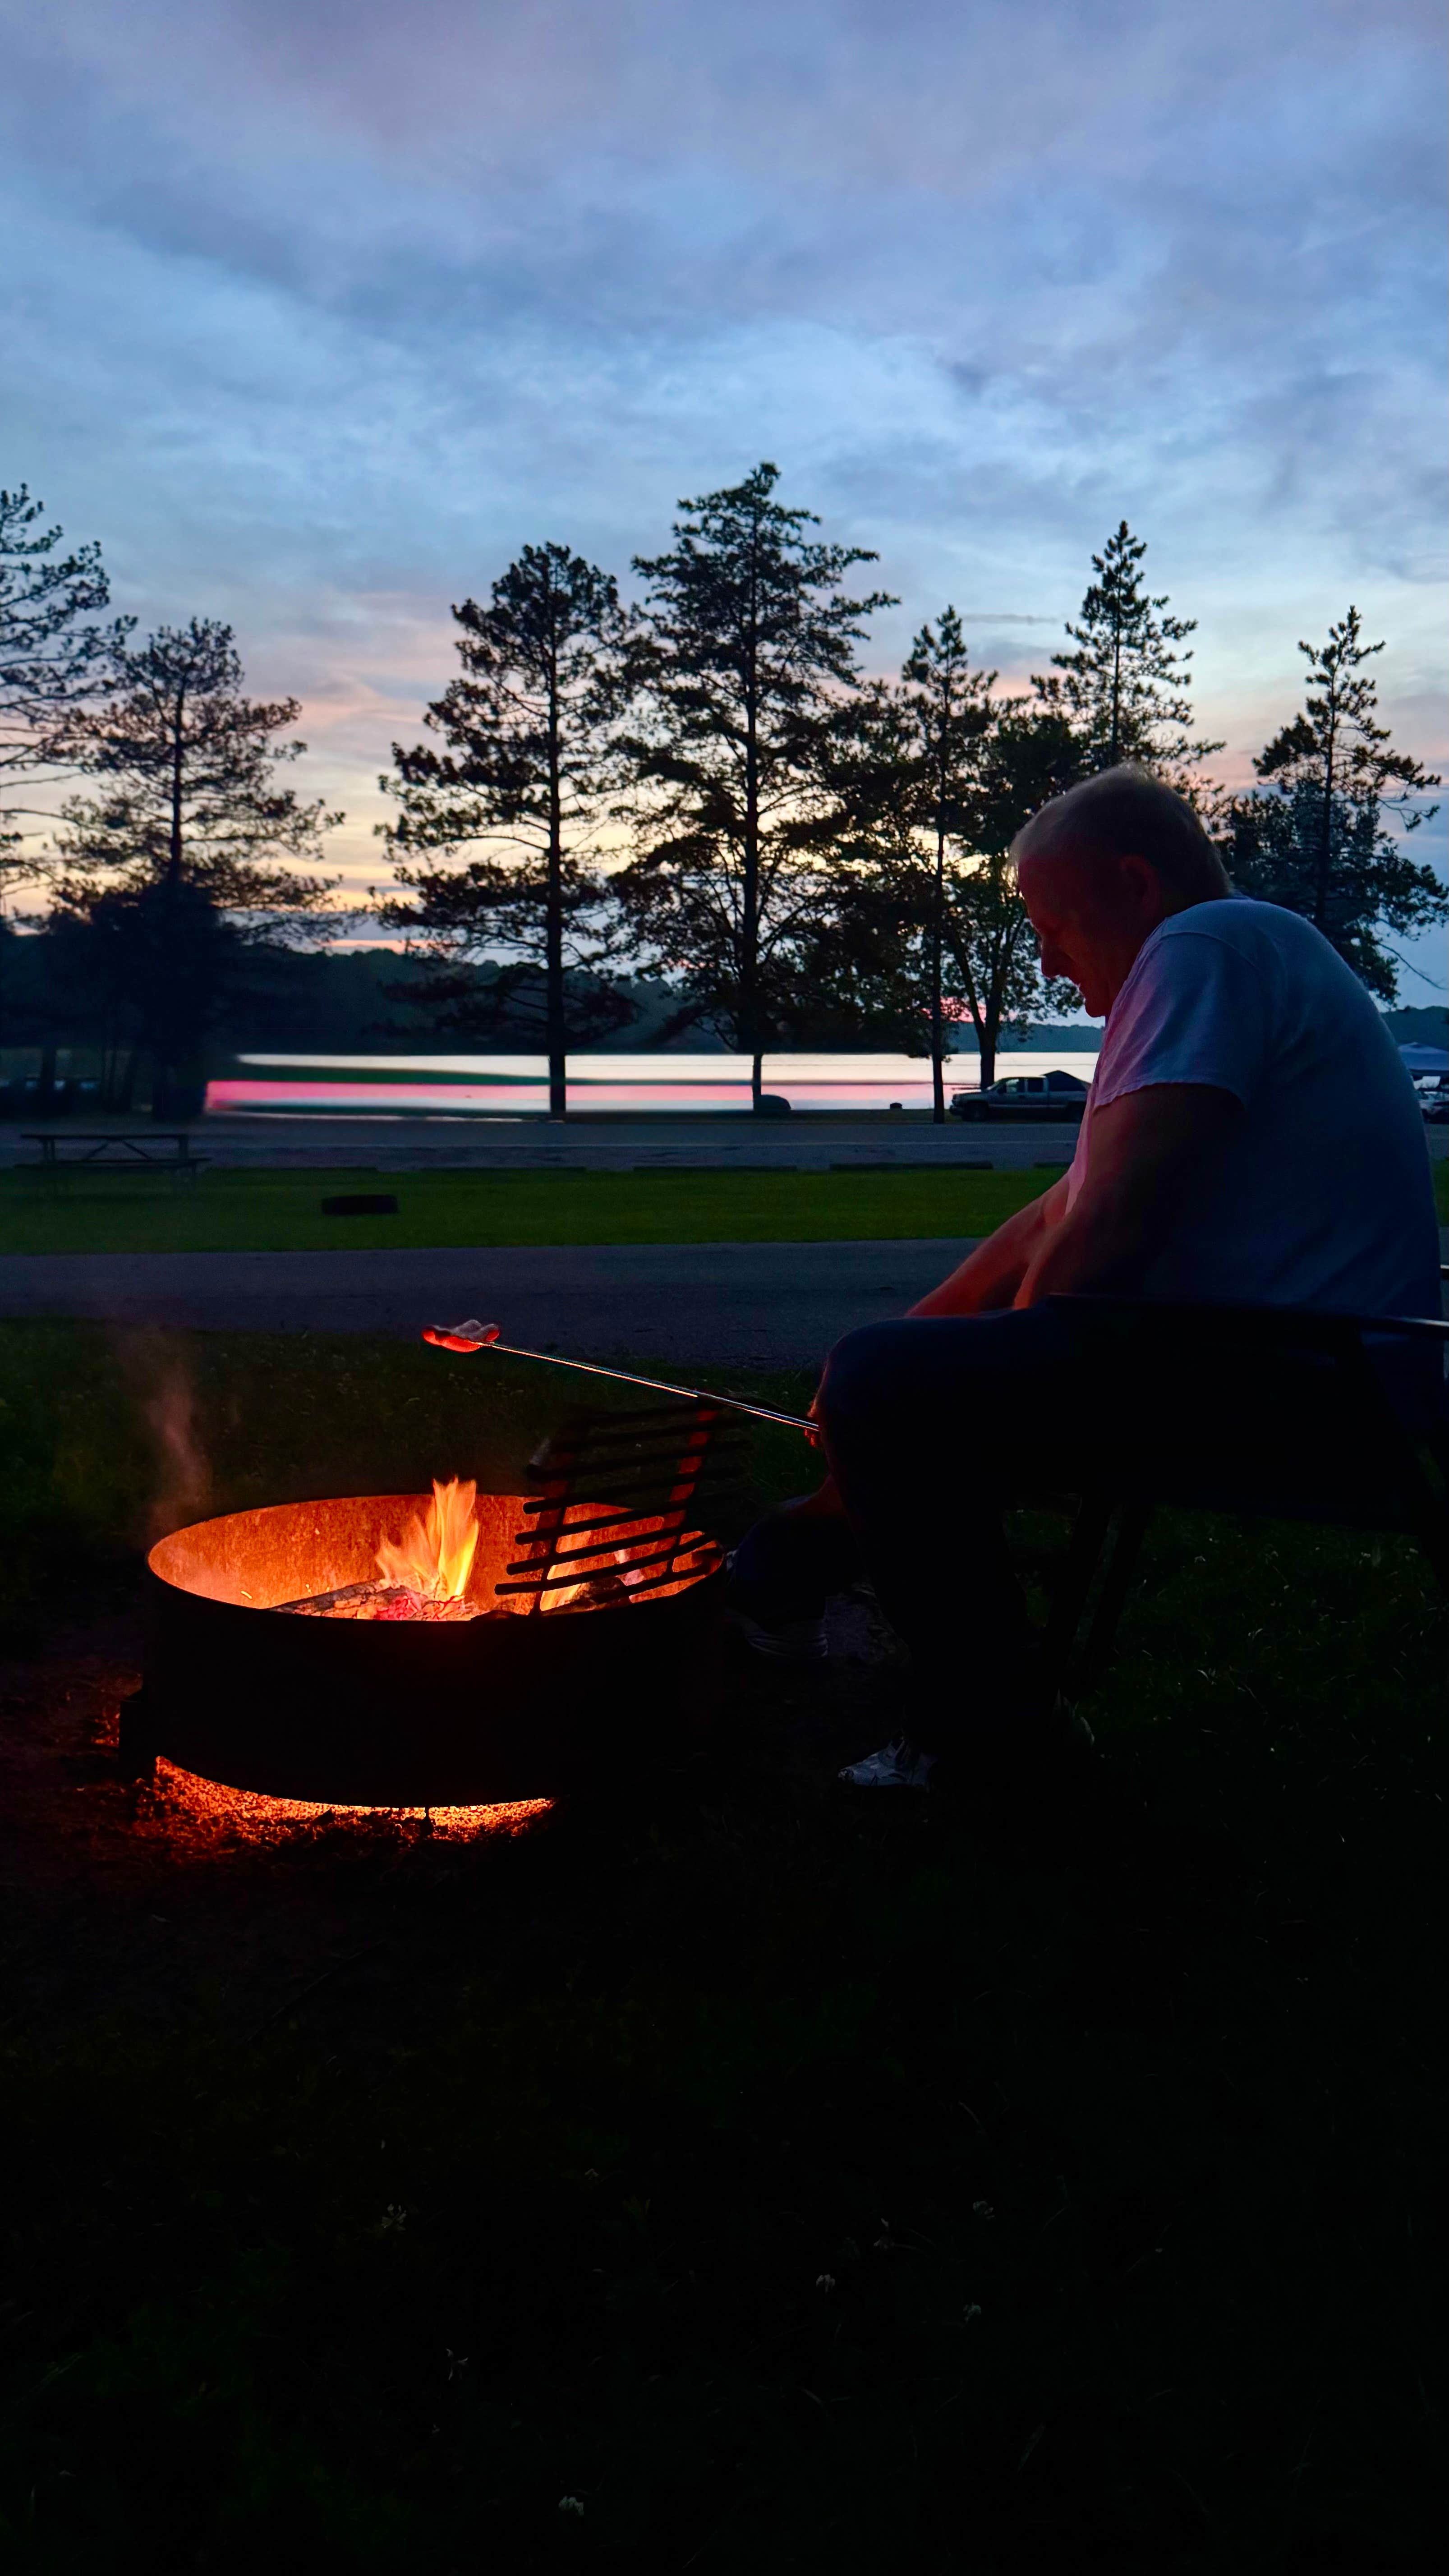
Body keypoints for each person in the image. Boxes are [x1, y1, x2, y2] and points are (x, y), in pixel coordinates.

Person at [729, 764, 1444, 1788]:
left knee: (892, 1388)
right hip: (1316, 1370)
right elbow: (1059, 1210)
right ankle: (787, 1573)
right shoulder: (1233, 959)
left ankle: (981, 1736)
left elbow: (1107, 1227)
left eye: (1050, 921)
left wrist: (990, 1386)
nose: (1044, 959)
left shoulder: (1201, 946)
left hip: (1314, 1388)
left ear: (1133, 886)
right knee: (885, 1377)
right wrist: (934, 1334)